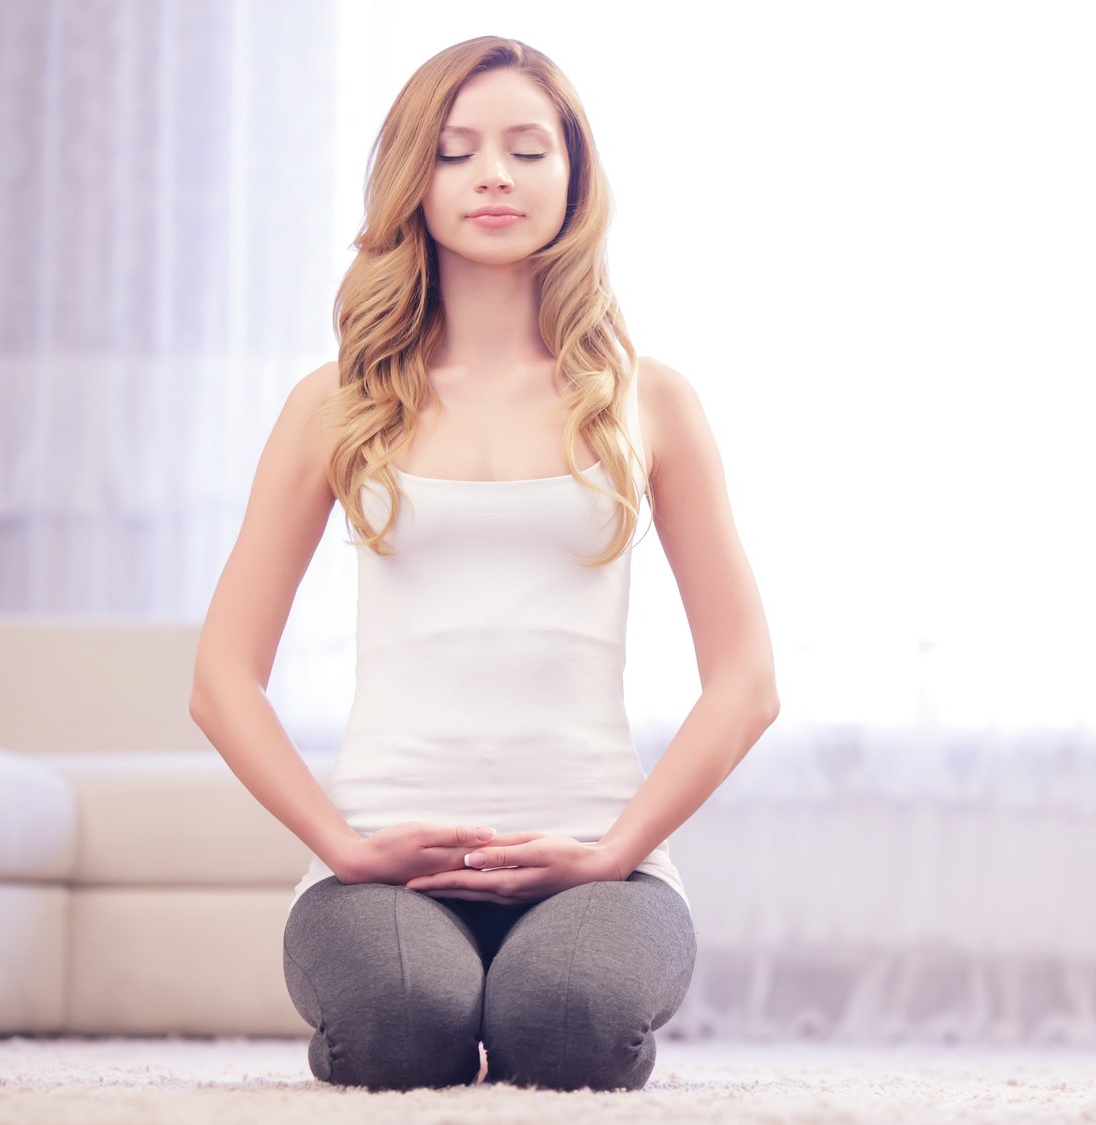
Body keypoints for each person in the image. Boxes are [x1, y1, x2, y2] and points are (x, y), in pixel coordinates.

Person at [188, 35, 779, 1094]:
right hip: (383, 868)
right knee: (396, 1029)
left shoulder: (653, 400)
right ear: (413, 181)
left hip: (602, 860)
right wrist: (345, 846)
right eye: (455, 152)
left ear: (574, 178)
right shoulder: (333, 404)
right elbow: (221, 681)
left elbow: (747, 682)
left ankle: (546, 976)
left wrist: (613, 852)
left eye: (525, 149)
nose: (494, 175)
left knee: (566, 1027)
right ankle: (429, 980)